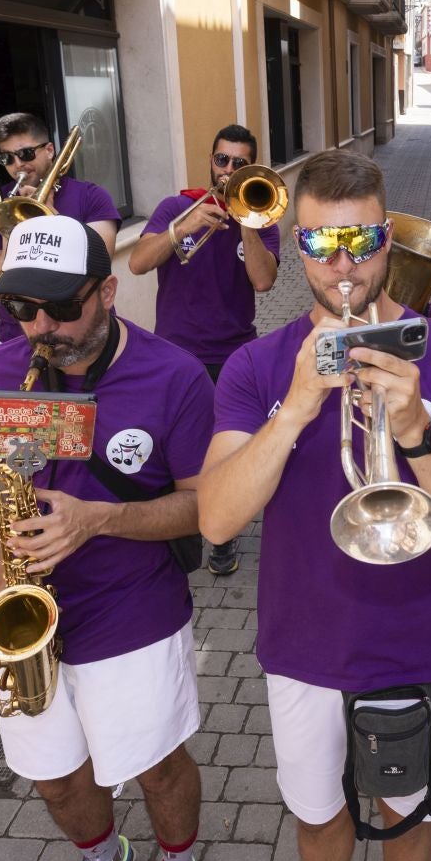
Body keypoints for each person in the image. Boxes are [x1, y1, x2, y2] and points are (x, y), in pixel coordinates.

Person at [198, 150, 431, 861]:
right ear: (296, 246)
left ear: (387, 237)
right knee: (317, 806)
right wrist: (294, 408)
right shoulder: (259, 365)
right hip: (304, 639)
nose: (342, 265)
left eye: (360, 241)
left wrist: (416, 429)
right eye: (320, 244)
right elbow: (217, 519)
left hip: (417, 636)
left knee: (411, 806)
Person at [0, 215, 213, 861]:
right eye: (23, 308)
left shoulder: (174, 375)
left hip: (135, 607)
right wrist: (8, 579)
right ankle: (105, 860)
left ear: (108, 290)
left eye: (62, 307)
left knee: (156, 765)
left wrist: (100, 520)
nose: (42, 327)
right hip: (30, 619)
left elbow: (205, 505)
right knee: (56, 777)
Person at [129, 124, 280, 575]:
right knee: (175, 449)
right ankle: (171, 530)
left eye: (239, 164)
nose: (228, 171)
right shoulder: (176, 207)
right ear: (210, 160)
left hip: (233, 352)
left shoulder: (263, 210)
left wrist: (248, 224)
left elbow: (264, 280)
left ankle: (221, 535)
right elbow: (137, 263)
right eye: (222, 160)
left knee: (225, 450)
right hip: (174, 353)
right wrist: (184, 228)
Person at [0, 112, 120, 345]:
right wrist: (11, 235)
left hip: (84, 333)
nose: (18, 164)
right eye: (7, 159)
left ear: (49, 150)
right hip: (17, 337)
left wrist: (52, 219)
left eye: (25, 154)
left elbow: (96, 269)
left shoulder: (92, 197)